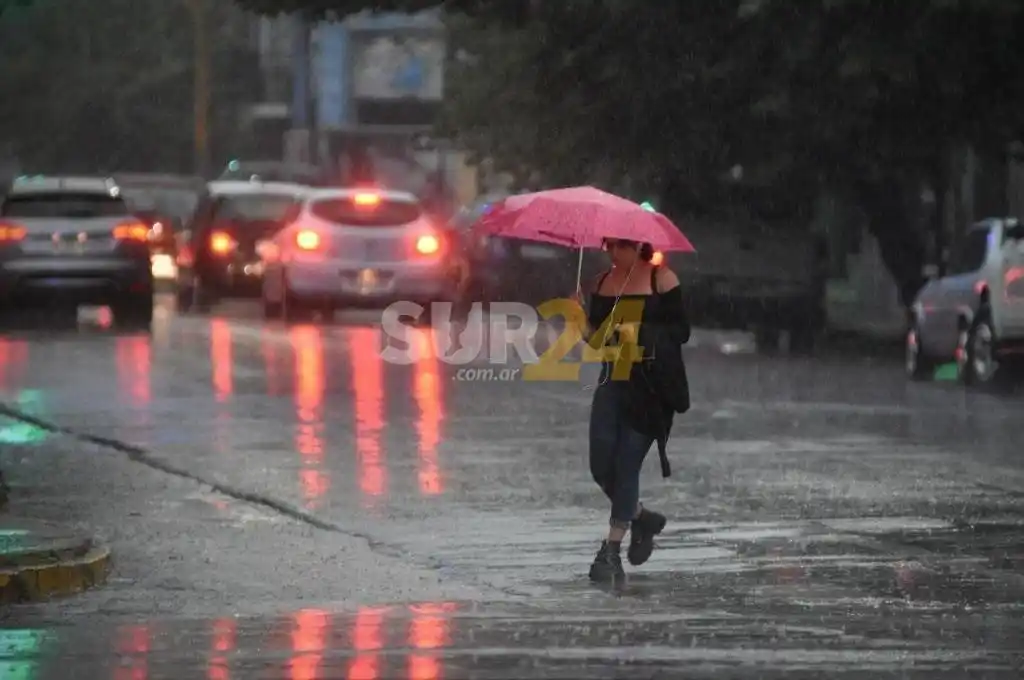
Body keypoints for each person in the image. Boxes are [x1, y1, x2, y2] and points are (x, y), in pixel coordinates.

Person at [581, 238, 691, 583]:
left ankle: (610, 551)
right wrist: (579, 319)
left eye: (621, 246)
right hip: (613, 378)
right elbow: (597, 340)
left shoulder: (662, 279)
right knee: (601, 465)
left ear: (638, 245)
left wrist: (638, 332)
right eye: (609, 245)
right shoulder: (601, 283)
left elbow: (681, 332)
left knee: (627, 463)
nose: (614, 253)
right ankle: (641, 517)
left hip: (651, 386)